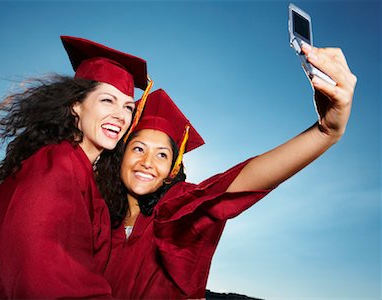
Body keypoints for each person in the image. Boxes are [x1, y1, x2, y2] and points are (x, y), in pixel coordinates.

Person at [100, 44, 357, 299]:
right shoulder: (95, 212)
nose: (148, 162)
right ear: (121, 154)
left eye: (162, 155)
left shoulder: (174, 214)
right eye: (138, 149)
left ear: (172, 169)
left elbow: (236, 183)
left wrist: (325, 132)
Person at [0, 36, 150, 299]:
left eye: (128, 106)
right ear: (76, 105)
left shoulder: (83, 174)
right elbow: (46, 282)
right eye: (107, 100)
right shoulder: (56, 166)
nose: (121, 115)